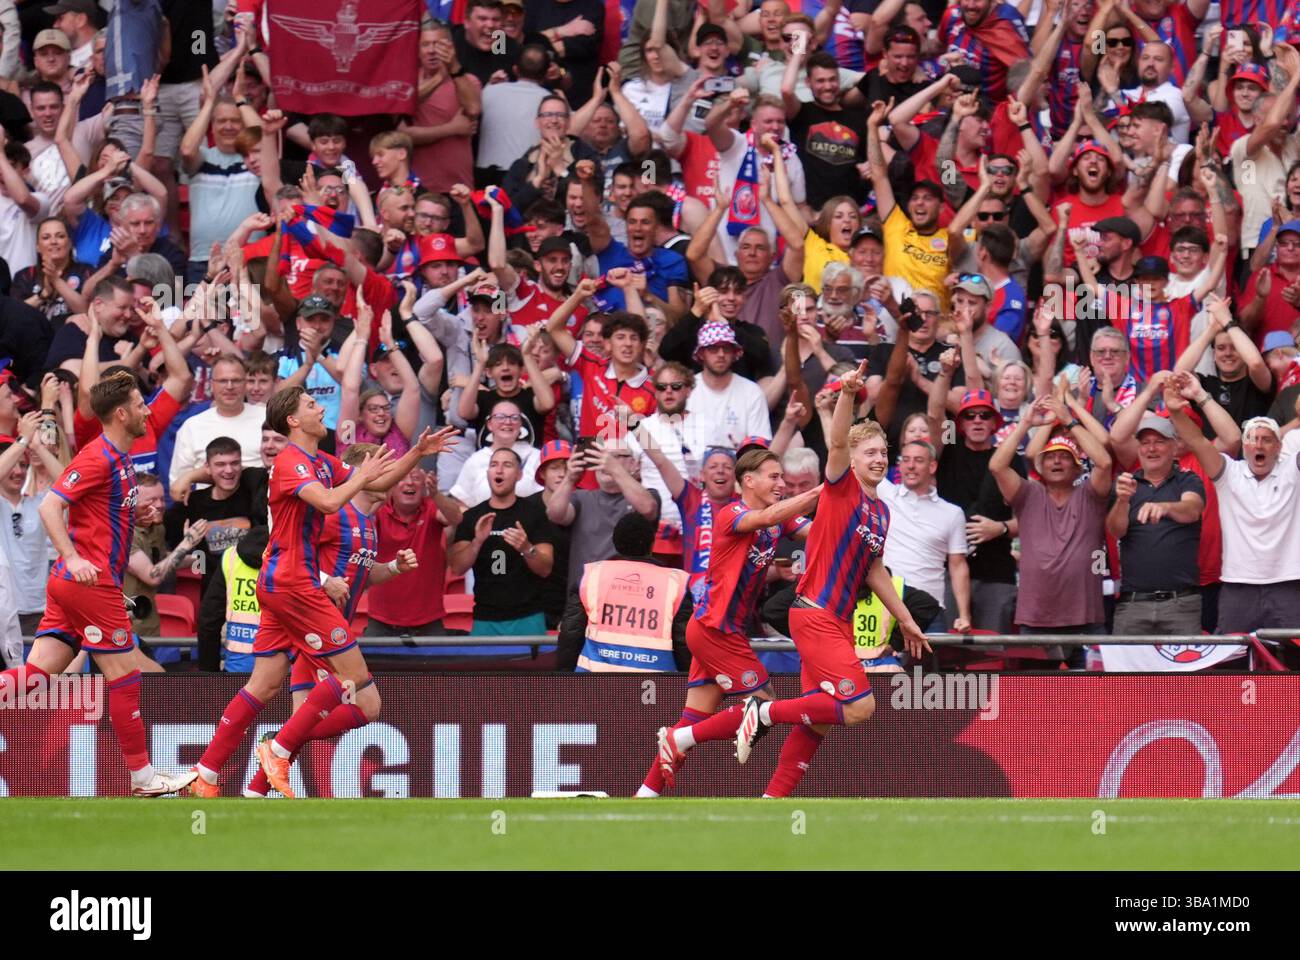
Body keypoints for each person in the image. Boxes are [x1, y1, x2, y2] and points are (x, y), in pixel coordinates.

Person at [185, 387, 457, 798]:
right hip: (297, 585)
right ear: (293, 420)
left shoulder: (320, 461)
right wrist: (361, 482)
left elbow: (375, 480)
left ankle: (207, 774)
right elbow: (329, 504)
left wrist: (417, 453)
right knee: (357, 681)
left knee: (262, 685)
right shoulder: (293, 462)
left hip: (286, 585)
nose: (320, 409)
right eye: (312, 405)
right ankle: (277, 748)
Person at [732, 362, 929, 798]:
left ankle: (771, 803)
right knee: (859, 707)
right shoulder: (841, 487)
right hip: (815, 613)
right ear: (854, 461)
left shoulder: (882, 511)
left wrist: (907, 619)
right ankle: (762, 713)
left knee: (817, 719)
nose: (880, 459)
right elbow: (837, 439)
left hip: (834, 621)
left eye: (883, 453)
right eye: (871, 453)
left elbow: (873, 569)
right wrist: (847, 394)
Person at [0, 371, 197, 796]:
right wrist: (72, 557)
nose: (148, 409)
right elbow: (51, 508)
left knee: (34, 677)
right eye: (141, 403)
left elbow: (101, 515)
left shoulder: (122, 458)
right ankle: (143, 778)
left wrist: (133, 519)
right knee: (125, 675)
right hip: (88, 583)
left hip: (76, 585)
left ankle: (144, 778)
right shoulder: (98, 457)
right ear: (122, 413)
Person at [644, 448, 818, 796]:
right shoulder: (731, 513)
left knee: (696, 716)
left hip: (721, 631)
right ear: (749, 481)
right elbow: (766, 519)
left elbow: (815, 532)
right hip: (715, 630)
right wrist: (821, 490)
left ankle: (644, 793)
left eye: (783, 477)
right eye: (775, 477)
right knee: (762, 704)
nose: (781, 483)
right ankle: (679, 739)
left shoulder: (776, 517)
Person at [1168, 375, 1300, 635]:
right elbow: (1197, 441)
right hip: (1237, 586)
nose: (1258, 444)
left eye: (1266, 439)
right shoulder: (1230, 472)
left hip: (1288, 584)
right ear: (1244, 447)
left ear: (1278, 447)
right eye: (1251, 439)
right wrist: (1183, 405)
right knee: (1229, 663)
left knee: (1295, 663)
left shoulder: (1292, 470)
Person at [991, 390, 1115, 654]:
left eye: (1064, 456)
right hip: (1036, 617)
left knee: (1094, 694)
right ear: (1041, 466)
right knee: (1035, 696)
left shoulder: (1090, 495)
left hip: (1086, 618)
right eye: (1049, 456)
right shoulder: (1028, 494)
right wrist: (1025, 423)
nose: (1057, 460)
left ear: (1077, 467)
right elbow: (997, 466)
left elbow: (1104, 462)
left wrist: (1068, 420)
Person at [1106, 413, 1206, 635]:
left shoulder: (1187, 479)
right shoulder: (1126, 484)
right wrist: (1122, 500)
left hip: (1181, 603)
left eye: (1159, 442)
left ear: (1174, 447)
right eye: (1145, 443)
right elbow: (1115, 530)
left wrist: (1166, 507)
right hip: (1132, 603)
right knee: (1126, 670)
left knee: (1184, 670)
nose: (1151, 449)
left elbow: (1192, 510)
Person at [557, 511, 693, 673]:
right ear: (651, 544)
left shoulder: (592, 575)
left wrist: (563, 679)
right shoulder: (676, 582)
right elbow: (684, 641)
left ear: (615, 543)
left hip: (595, 682)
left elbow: (571, 634)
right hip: (655, 687)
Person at [449, 447, 557, 639]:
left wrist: (526, 547)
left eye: (507, 465)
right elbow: (457, 568)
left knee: (532, 669)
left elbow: (546, 568)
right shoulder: (472, 517)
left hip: (528, 616)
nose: (499, 470)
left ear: (519, 475)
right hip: (485, 617)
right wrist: (477, 542)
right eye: (493, 465)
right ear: (488, 473)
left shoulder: (535, 513)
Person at [877, 440, 974, 632]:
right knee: (879, 661)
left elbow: (957, 565)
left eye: (918, 460)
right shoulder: (884, 493)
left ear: (932, 466)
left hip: (929, 607)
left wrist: (964, 616)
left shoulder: (952, 513)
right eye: (905, 460)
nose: (910, 466)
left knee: (925, 663)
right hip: (885, 604)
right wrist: (825, 412)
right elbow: (848, 457)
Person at [366, 468, 464, 639]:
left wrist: (436, 495)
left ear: (424, 487)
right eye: (401, 479)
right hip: (381, 618)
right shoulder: (380, 510)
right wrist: (385, 489)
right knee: (367, 665)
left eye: (416, 478)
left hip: (428, 619)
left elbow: (456, 518)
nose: (410, 482)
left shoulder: (431, 506)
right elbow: (360, 515)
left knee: (439, 666)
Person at [169, 354, 266, 484]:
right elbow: (177, 483)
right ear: (211, 384)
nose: (230, 386)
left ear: (245, 383)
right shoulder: (193, 426)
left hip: (259, 501)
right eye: (223, 381)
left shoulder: (268, 418)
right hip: (207, 502)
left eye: (236, 380)